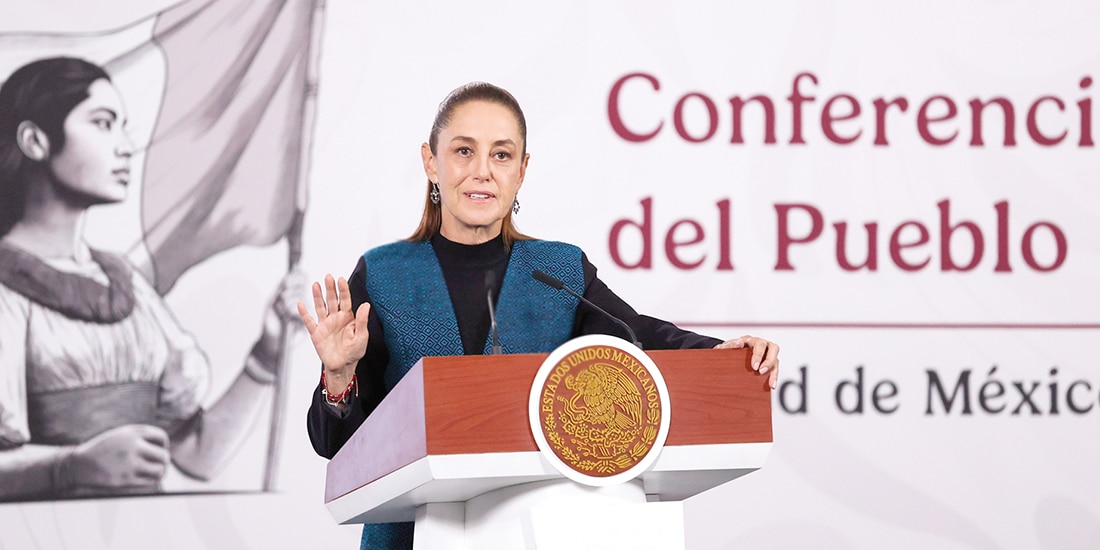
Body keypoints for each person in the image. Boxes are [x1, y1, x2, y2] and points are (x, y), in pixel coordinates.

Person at [300, 82, 781, 550]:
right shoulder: (383, 275)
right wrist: (339, 376)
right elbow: (334, 444)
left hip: (534, 531)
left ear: (523, 170)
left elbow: (637, 335)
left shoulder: (557, 270)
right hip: (410, 538)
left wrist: (720, 355)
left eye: (502, 154)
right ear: (431, 162)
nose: (483, 171)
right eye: (464, 151)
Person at [0, 56, 298, 500]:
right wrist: (71, 467)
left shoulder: (126, 285)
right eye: (102, 124)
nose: (124, 147)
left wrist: (267, 354)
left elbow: (198, 455)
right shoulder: (7, 288)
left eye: (123, 127)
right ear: (34, 140)